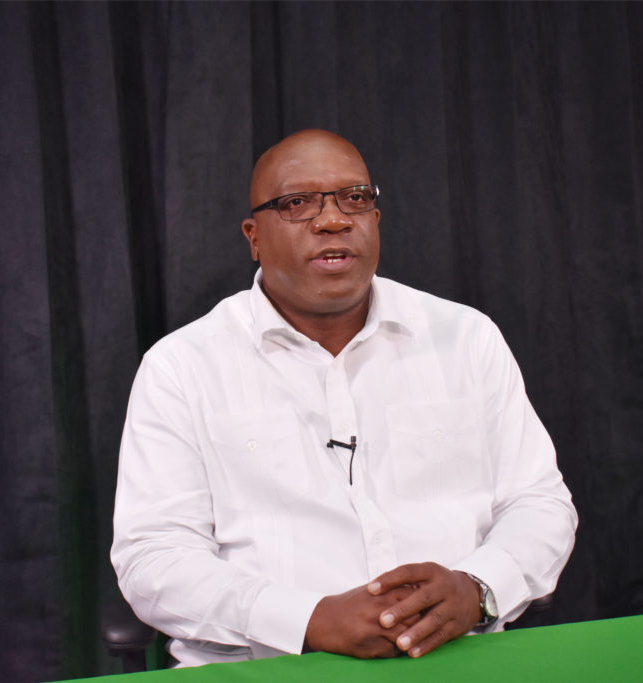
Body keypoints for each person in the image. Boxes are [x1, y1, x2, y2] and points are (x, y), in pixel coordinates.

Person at [111, 129, 577, 667]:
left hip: (459, 657)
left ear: (375, 219)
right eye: (297, 203)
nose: (333, 220)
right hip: (267, 667)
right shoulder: (181, 366)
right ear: (253, 236)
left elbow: (538, 502)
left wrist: (477, 588)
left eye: (354, 198)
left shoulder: (465, 338)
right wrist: (307, 620)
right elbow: (154, 557)